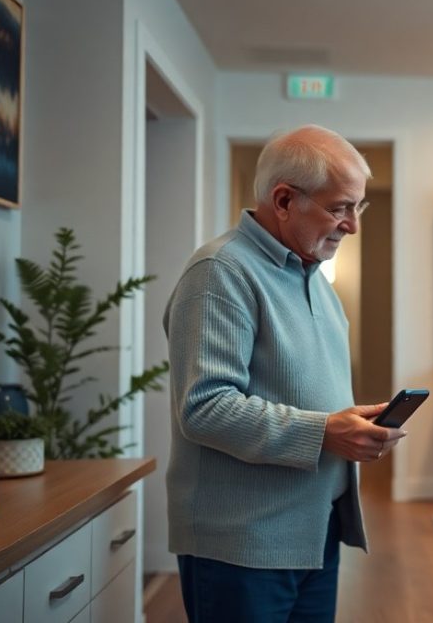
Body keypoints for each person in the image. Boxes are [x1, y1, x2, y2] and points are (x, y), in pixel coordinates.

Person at [164, 124, 404, 623]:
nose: (352, 226)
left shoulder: (313, 276)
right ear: (283, 200)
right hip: (243, 545)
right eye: (341, 207)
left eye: (359, 207)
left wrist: (350, 426)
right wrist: (325, 432)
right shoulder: (220, 272)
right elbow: (204, 407)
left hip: (313, 531)